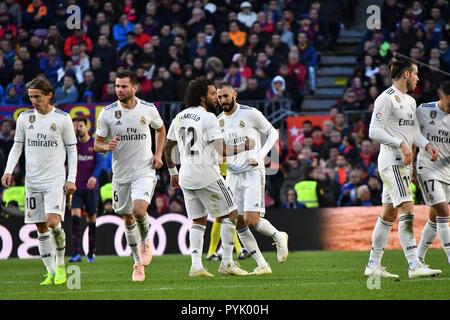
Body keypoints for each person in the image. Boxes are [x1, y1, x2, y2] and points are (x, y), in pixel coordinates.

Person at [164, 77, 252, 277]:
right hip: (207, 174)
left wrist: (173, 173)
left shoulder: (179, 117)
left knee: (198, 221)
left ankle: (196, 266)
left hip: (186, 175)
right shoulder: (208, 118)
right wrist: (244, 146)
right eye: (213, 94)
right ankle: (228, 262)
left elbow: (168, 147)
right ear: (203, 97)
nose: (216, 99)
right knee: (231, 214)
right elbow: (222, 150)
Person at [365, 58, 441, 278]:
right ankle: (414, 265)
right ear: (406, 74)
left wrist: (426, 145)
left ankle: (373, 265)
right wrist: (400, 144)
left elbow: (415, 132)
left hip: (404, 165)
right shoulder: (385, 99)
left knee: (388, 214)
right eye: (416, 74)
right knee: (407, 209)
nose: (418, 78)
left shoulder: (409, 101)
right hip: (393, 163)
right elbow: (373, 131)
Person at [1, 78, 78, 285]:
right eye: (31, 97)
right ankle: (50, 272)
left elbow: (72, 150)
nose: (34, 100)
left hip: (55, 180)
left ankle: (61, 266)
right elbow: (17, 146)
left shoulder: (62, 119)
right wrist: (8, 170)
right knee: (41, 227)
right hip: (32, 181)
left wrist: (71, 179)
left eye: (38, 96)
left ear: (49, 95)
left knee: (53, 222)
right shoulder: (25, 119)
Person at [94, 70, 166, 282]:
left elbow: (161, 130)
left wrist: (158, 154)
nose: (119, 90)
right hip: (120, 174)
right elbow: (97, 144)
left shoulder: (148, 109)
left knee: (139, 209)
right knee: (127, 217)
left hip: (144, 169)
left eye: (124, 86)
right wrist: (106, 146)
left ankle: (145, 242)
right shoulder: (107, 113)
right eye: (117, 86)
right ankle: (137, 263)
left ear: (135, 88)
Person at [217, 84, 288, 275]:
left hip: (253, 172)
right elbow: (220, 150)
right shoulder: (218, 121)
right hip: (232, 175)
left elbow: (273, 132)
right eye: (219, 98)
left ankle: (278, 235)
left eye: (225, 96)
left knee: (251, 219)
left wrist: (262, 155)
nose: (222, 100)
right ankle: (263, 265)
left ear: (234, 95)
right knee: (236, 221)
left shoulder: (251, 113)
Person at [415, 81, 450, 266]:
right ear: (441, 96)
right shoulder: (423, 110)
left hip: (448, 172)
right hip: (427, 167)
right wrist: (411, 164)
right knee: (444, 211)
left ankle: (418, 259)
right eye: (449, 104)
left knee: (435, 218)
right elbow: (412, 136)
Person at [69, 117, 104, 263]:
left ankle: (90, 252)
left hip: (91, 189)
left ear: (86, 127)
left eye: (80, 126)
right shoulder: (72, 146)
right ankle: (76, 253)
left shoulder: (94, 144)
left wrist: (94, 176)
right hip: (76, 188)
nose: (78, 129)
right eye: (76, 126)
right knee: (75, 218)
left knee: (91, 219)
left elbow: (100, 163)